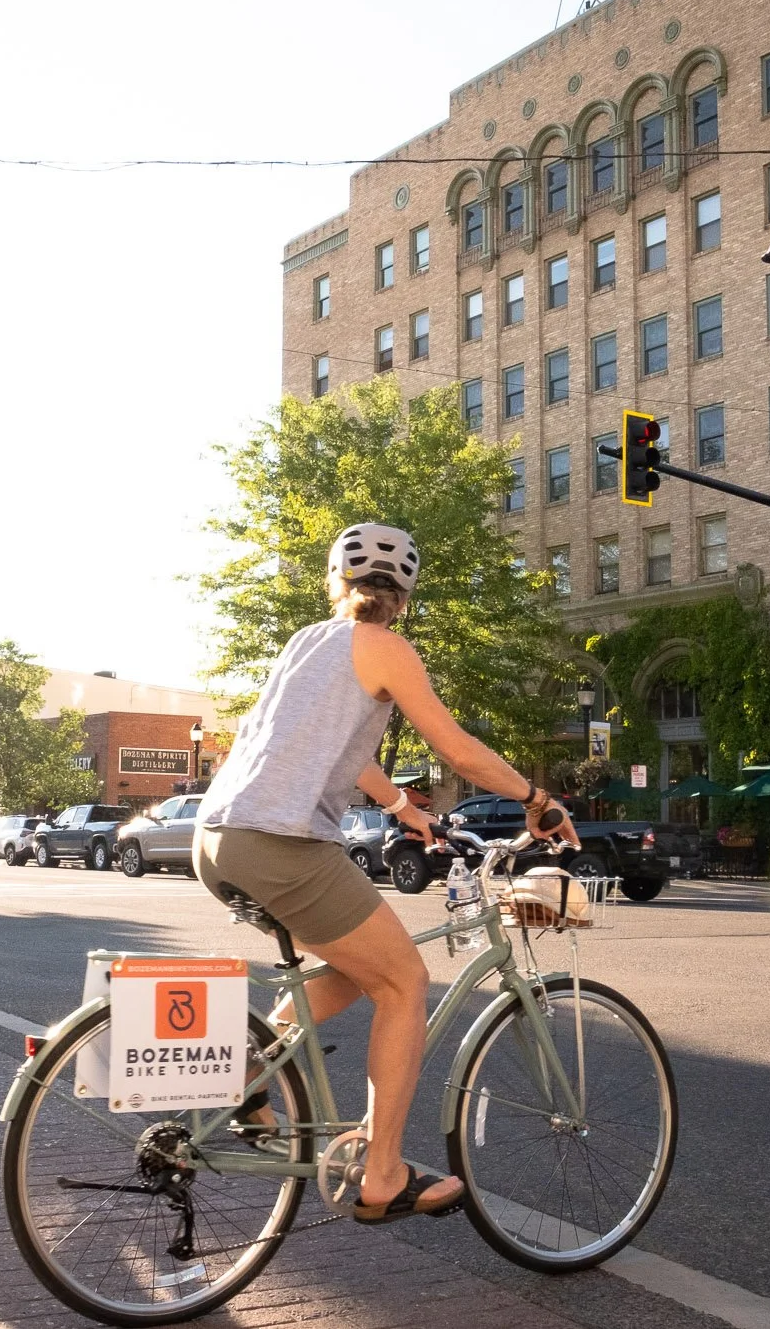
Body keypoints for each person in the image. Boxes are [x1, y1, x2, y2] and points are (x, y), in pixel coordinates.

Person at [194, 523, 578, 1227]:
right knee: (406, 981)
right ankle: (383, 1173)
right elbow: (458, 748)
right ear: (402, 598)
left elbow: (332, 752)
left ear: (336, 585)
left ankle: (249, 1069)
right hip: (282, 842)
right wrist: (536, 800)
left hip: (218, 839)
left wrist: (404, 807)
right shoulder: (387, 648)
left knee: (355, 968)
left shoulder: (306, 643)